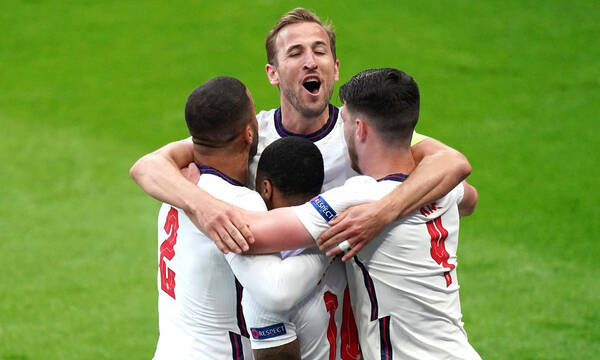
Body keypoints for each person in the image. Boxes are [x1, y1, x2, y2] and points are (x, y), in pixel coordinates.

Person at [132, 8, 472, 359]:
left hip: (351, 335)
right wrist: (202, 207)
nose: (310, 61)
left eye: (320, 51)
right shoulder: (248, 136)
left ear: (335, 68)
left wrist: (383, 212)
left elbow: (454, 168)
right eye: (295, 53)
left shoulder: (362, 133)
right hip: (275, 326)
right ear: (273, 73)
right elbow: (148, 166)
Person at [247, 68, 481, 359]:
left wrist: (202, 197)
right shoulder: (443, 188)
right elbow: (470, 197)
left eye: (343, 122)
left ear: (360, 129)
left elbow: (254, 236)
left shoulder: (358, 198)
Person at [153, 77, 330, 360]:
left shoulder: (179, 184)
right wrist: (328, 241)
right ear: (248, 134)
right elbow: (277, 291)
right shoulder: (238, 203)